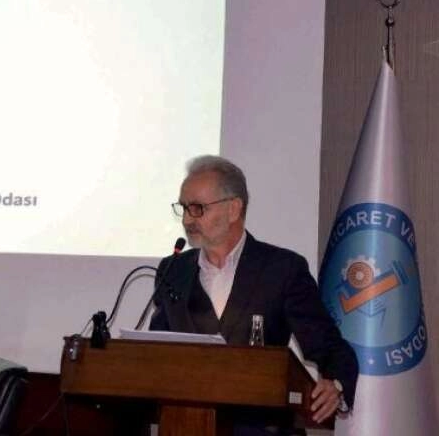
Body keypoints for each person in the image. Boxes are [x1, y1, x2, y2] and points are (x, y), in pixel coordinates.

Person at [150, 155, 358, 435]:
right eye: (184, 208)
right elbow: (155, 351)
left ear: (233, 209)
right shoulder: (173, 270)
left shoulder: (282, 269)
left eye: (197, 208)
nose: (187, 219)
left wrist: (336, 383)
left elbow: (329, 345)